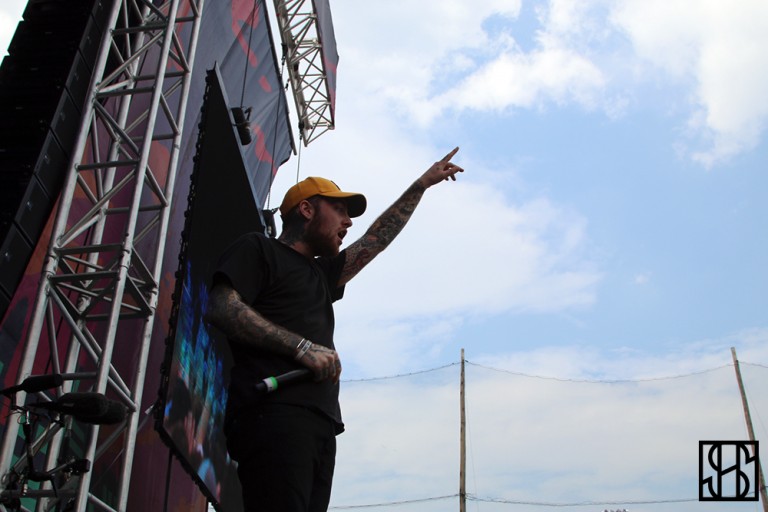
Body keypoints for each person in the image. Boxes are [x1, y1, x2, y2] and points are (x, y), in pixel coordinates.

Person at [204, 147, 464, 511]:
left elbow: (375, 240)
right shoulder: (259, 249)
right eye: (339, 210)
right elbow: (222, 307)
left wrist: (421, 185)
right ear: (306, 210)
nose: (348, 222)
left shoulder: (322, 274)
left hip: (320, 424)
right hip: (274, 412)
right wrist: (301, 347)